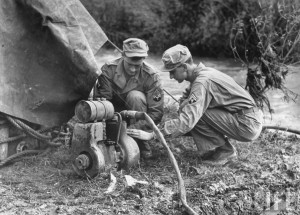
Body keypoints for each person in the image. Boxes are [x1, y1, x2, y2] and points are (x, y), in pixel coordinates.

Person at [127, 44, 264, 165]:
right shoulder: (201, 74)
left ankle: (225, 151)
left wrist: (153, 134)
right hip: (247, 117)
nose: (171, 77)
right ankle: (219, 148)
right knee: (189, 109)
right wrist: (184, 104)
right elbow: (186, 98)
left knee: (194, 115)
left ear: (185, 67)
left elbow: (187, 121)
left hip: (247, 123)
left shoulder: (202, 82)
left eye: (172, 71)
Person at [95, 38, 164, 158]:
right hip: (113, 114)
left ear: (144, 59)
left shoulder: (152, 76)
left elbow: (156, 113)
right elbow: (102, 102)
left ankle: (140, 143)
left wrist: (134, 129)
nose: (133, 69)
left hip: (137, 118)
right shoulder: (108, 70)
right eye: (130, 64)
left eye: (137, 66)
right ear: (123, 55)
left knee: (135, 97)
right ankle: (109, 139)